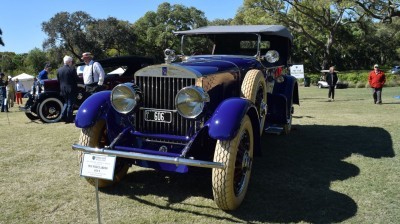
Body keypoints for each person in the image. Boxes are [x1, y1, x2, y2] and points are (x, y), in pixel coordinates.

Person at [57, 55, 80, 123]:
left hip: (63, 89)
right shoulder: (72, 69)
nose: (72, 63)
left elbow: (58, 80)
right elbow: (77, 79)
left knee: (66, 103)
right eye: (71, 62)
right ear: (69, 62)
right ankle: (69, 118)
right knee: (70, 104)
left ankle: (62, 115)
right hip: (71, 89)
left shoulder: (59, 70)